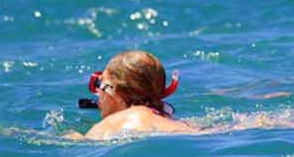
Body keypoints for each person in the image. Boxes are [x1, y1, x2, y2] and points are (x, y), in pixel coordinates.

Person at [66, 51, 198, 140]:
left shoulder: (113, 123)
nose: (98, 94)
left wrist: (75, 138)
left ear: (116, 93)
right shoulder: (180, 123)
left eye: (100, 85)